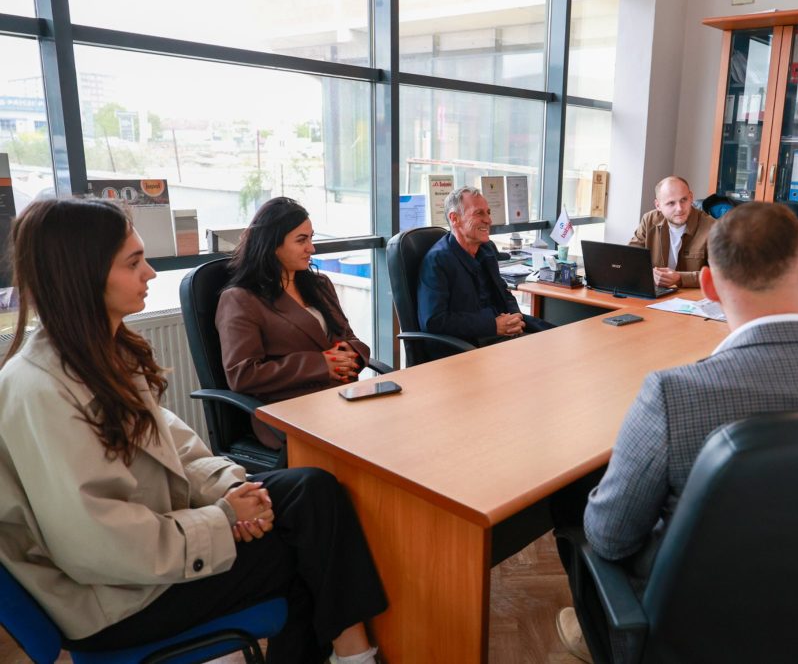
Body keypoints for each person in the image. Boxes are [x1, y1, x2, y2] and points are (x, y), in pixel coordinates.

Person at [0, 198, 387, 664]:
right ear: (81, 275)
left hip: (150, 553)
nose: (150, 273)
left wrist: (235, 490)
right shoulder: (39, 389)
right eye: (134, 263)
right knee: (308, 554)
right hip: (115, 598)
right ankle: (356, 656)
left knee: (312, 490)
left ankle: (352, 655)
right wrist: (222, 518)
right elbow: (98, 545)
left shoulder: (104, 353)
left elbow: (176, 447)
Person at [556, 202, 798, 664]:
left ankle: (597, 630)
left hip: (694, 631)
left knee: (578, 499)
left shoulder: (673, 395)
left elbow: (611, 538)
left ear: (708, 285)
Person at [217, 197, 370, 450]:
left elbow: (349, 337)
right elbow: (242, 375)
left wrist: (350, 354)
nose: (312, 248)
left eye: (311, 238)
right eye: (301, 240)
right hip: (288, 411)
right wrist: (321, 365)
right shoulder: (241, 299)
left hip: (339, 398)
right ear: (272, 245)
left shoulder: (320, 286)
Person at [417, 185, 554, 346]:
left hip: (503, 332)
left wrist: (514, 318)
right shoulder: (437, 261)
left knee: (559, 337)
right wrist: (492, 325)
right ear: (454, 219)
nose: (488, 220)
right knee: (548, 351)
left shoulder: (486, 249)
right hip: (470, 343)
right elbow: (433, 321)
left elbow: (503, 292)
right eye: (479, 213)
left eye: (488, 213)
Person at [629, 175, 715, 289]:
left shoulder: (713, 227)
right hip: (657, 292)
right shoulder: (649, 220)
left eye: (684, 200)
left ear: (691, 197)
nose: (679, 208)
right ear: (658, 205)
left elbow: (722, 275)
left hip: (692, 296)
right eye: (671, 203)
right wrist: (649, 274)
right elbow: (630, 258)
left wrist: (680, 278)